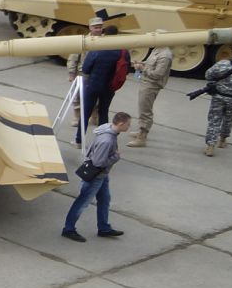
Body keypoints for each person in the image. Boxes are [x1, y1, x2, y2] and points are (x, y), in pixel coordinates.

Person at [62, 112, 130, 242]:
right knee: (82, 202)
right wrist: (115, 157)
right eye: (128, 124)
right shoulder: (107, 140)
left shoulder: (106, 129)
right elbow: (98, 162)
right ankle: (68, 229)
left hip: (101, 176)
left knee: (105, 200)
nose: (129, 126)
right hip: (96, 176)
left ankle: (103, 228)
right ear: (121, 124)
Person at [76, 26, 123, 134]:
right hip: (110, 87)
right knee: (103, 112)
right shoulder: (122, 51)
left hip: (93, 85)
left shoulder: (97, 49)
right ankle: (103, 138)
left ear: (104, 34)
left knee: (86, 112)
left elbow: (85, 69)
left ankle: (79, 140)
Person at [126, 44, 172, 147]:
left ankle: (142, 137)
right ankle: (141, 132)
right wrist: (142, 64)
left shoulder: (165, 55)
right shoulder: (158, 49)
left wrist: (142, 68)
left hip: (152, 85)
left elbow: (158, 74)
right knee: (142, 108)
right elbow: (151, 64)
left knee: (145, 110)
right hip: (147, 82)